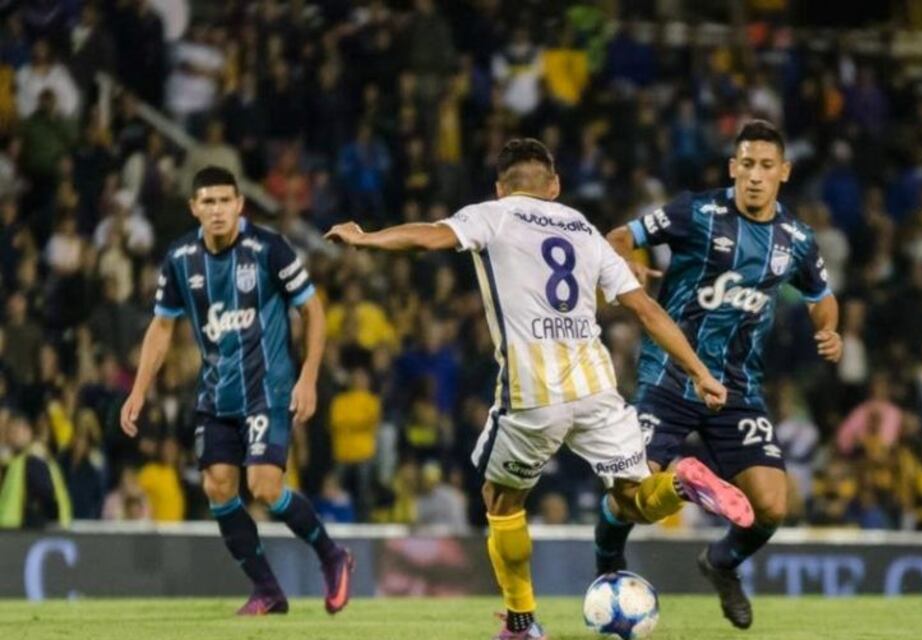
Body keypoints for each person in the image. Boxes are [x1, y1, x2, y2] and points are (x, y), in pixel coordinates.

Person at [327, 139, 753, 640]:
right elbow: (646, 310)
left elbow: (432, 236)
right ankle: (681, 483)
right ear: (554, 186)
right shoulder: (585, 230)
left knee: (501, 500)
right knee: (634, 499)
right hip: (597, 388)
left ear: (500, 187)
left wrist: (368, 239)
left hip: (535, 393)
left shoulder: (493, 214)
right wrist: (700, 371)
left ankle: (522, 623)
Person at [594, 120, 842, 630]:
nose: (755, 175)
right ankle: (608, 567)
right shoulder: (696, 212)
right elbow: (618, 237)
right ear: (733, 167)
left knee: (771, 506)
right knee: (629, 491)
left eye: (766, 166)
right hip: (670, 378)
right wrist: (627, 261)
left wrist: (829, 330)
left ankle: (722, 563)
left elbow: (821, 296)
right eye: (746, 164)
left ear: (784, 172)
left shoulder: (796, 239)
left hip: (737, 390)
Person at [120, 166, 352, 616]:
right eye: (208, 201)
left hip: (268, 389)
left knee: (263, 486)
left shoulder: (268, 248)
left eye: (225, 200)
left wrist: (308, 377)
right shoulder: (180, 258)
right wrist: (138, 390)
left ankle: (332, 555)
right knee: (218, 487)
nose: (218, 209)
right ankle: (268, 590)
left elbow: (313, 311)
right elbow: (162, 327)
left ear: (240, 204)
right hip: (216, 395)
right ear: (194, 208)